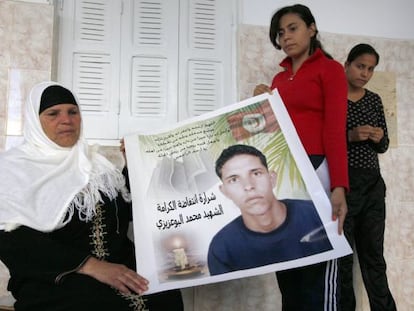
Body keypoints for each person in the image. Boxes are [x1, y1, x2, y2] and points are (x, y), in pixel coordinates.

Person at [0, 81, 183, 311]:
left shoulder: (97, 165)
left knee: (165, 295)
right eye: (53, 113)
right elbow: (11, 242)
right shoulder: (12, 170)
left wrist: (134, 165)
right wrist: (91, 266)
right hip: (58, 277)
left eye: (73, 112)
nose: (66, 120)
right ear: (35, 121)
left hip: (121, 266)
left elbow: (124, 213)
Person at [253, 4, 349, 310]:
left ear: (312, 29)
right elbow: (274, 131)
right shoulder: (279, 80)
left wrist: (339, 187)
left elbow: (335, 129)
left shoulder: (330, 70)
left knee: (317, 265)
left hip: (318, 171)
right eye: (280, 33)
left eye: (292, 28)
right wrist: (261, 100)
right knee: (287, 262)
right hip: (286, 175)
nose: (285, 37)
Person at [207, 144, 332, 276]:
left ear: (272, 178)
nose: (249, 186)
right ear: (225, 192)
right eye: (234, 180)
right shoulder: (222, 247)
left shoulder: (316, 214)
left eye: (256, 173)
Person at [339, 43, 397, 311]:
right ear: (347, 65)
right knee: (342, 260)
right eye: (360, 66)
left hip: (373, 185)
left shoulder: (374, 99)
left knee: (374, 257)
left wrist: (379, 137)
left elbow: (383, 146)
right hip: (343, 186)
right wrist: (349, 136)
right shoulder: (334, 97)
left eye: (371, 69)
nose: (365, 73)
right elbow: (320, 141)